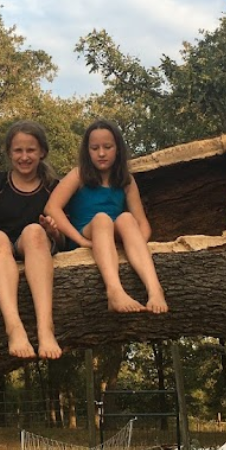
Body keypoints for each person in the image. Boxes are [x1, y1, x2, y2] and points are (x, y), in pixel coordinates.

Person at [0, 120, 63, 359]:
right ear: (9, 153)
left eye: (30, 150)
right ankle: (14, 327)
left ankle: (45, 328)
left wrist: (52, 230)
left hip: (36, 245)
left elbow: (62, 235)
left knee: (34, 231)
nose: (24, 156)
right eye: (18, 150)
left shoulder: (54, 187)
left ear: (42, 152)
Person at [46, 119, 168, 314]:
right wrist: (79, 239)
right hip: (86, 234)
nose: (101, 153)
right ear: (87, 151)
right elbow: (52, 208)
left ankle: (155, 289)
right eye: (95, 148)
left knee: (127, 219)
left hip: (113, 236)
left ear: (118, 149)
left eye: (107, 147)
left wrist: (136, 243)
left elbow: (141, 222)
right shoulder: (79, 175)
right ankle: (114, 291)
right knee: (102, 218)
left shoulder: (126, 181)